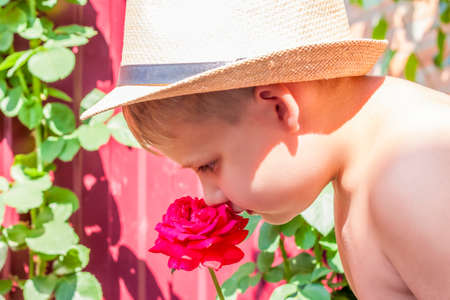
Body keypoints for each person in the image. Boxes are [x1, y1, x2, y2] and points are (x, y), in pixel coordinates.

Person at [80, 0, 450, 298]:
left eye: (208, 165)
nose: (209, 198)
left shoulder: (410, 174)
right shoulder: (363, 166)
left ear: (279, 107)